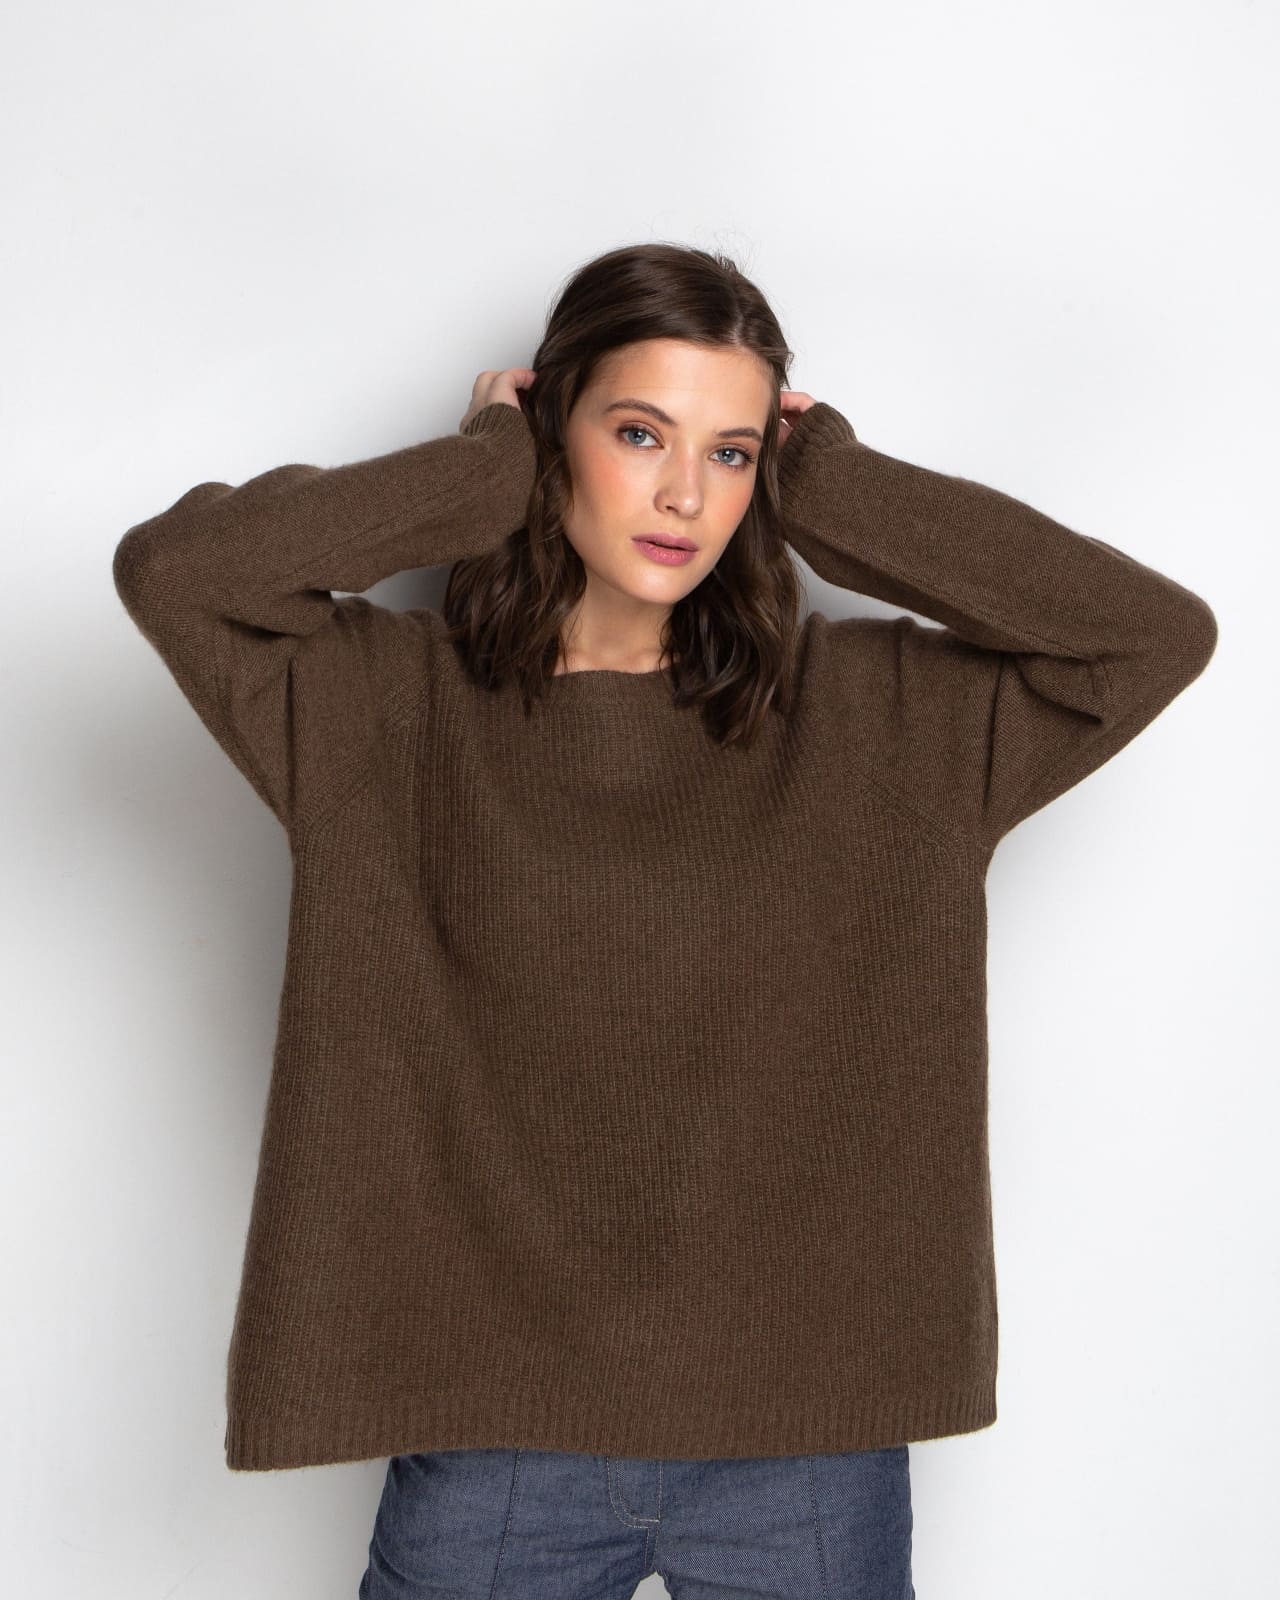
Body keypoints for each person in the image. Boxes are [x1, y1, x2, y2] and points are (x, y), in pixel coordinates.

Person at [112, 242, 1217, 1599]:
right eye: (639, 433)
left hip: (805, 1449)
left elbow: (1149, 637)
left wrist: (839, 489)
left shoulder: (885, 722)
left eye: (733, 452)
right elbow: (175, 574)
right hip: (495, 1442)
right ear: (553, 433)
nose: (687, 494)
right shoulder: (377, 708)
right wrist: (476, 470)